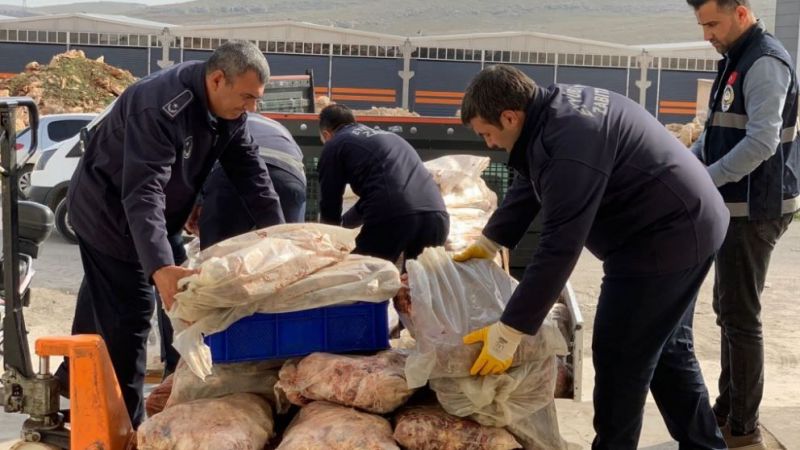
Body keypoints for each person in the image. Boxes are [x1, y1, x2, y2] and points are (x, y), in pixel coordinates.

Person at [455, 65, 729, 449]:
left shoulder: (569, 142)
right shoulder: (552, 113)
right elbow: (534, 179)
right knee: (665, 349)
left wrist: (511, 329)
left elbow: (559, 246)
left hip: (663, 240)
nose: (488, 144)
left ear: (509, 116)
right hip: (688, 220)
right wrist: (492, 239)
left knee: (620, 356)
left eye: (487, 134)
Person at [57, 40, 283, 427]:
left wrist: (286, 238)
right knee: (131, 318)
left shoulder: (226, 107)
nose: (252, 107)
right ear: (217, 79)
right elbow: (142, 192)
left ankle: (71, 378)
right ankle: (125, 429)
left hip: (154, 216)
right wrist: (159, 267)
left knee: (137, 300)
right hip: (111, 216)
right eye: (247, 97)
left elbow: (250, 173)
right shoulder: (160, 106)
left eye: (256, 99)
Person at [686, 1, 799, 447]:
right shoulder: (735, 57)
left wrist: (705, 181)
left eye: (712, 23)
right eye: (702, 25)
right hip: (733, 206)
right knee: (729, 312)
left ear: (742, 13)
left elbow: (761, 143)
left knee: (741, 317)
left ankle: (743, 428)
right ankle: (728, 407)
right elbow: (717, 130)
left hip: (755, 210)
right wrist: (687, 169)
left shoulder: (765, 62)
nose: (707, 34)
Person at [317, 104, 449, 263]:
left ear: (327, 134)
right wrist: (345, 224)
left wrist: (328, 241)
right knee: (418, 283)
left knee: (363, 275)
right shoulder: (389, 137)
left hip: (393, 216)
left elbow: (330, 202)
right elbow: (374, 196)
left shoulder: (335, 143)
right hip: (436, 215)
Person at [198, 113, 306, 249]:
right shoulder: (277, 126)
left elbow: (197, 166)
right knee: (287, 251)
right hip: (289, 175)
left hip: (229, 175)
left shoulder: (225, 119)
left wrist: (198, 202)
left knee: (216, 253)